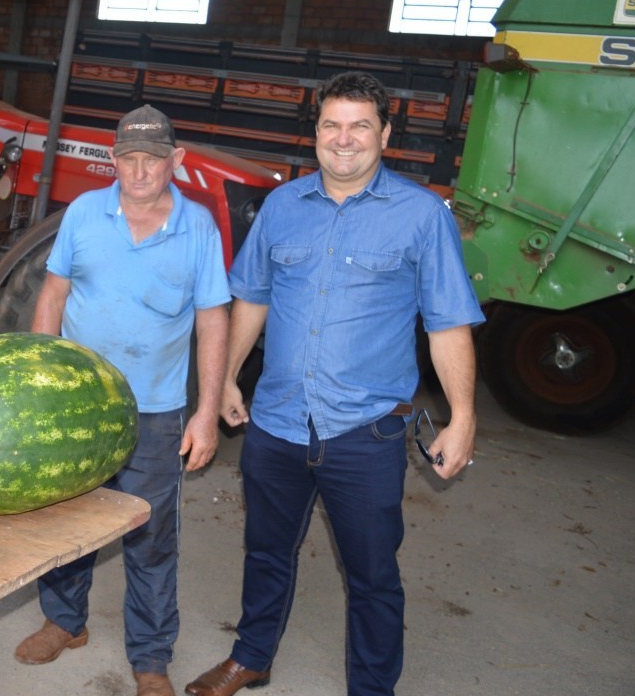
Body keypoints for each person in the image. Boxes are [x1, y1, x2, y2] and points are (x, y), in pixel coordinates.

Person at [184, 72, 484, 696]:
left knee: (372, 575)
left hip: (365, 433)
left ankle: (371, 689)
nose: (343, 139)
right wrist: (228, 381)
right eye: (331, 125)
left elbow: (449, 322)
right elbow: (253, 299)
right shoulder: (282, 206)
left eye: (359, 126)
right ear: (315, 131)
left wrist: (463, 416)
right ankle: (252, 655)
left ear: (385, 135)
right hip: (278, 422)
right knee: (266, 552)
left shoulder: (421, 215)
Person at [15, 104, 231, 696]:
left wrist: (206, 412)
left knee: (150, 535)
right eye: (129, 159)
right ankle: (64, 622)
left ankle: (151, 658)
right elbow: (52, 295)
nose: (139, 172)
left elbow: (214, 321)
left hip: (156, 413)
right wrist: (38, 383)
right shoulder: (85, 213)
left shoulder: (199, 229)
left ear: (176, 162)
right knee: (68, 522)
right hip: (81, 407)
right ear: (113, 160)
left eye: (153, 160)